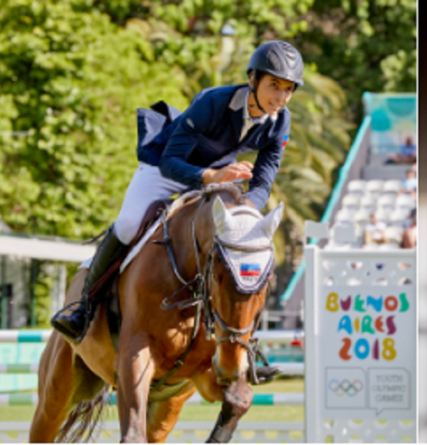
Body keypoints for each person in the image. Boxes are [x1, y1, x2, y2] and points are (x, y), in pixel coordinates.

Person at [51, 41, 304, 345]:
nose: (280, 96)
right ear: (253, 79)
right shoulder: (213, 102)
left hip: (215, 178)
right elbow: (172, 162)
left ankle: (240, 343)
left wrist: (246, 209)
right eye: (274, 85)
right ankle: (84, 306)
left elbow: (263, 181)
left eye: (288, 89)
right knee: (130, 224)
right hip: (164, 169)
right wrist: (211, 176)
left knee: (238, 239)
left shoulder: (281, 123)